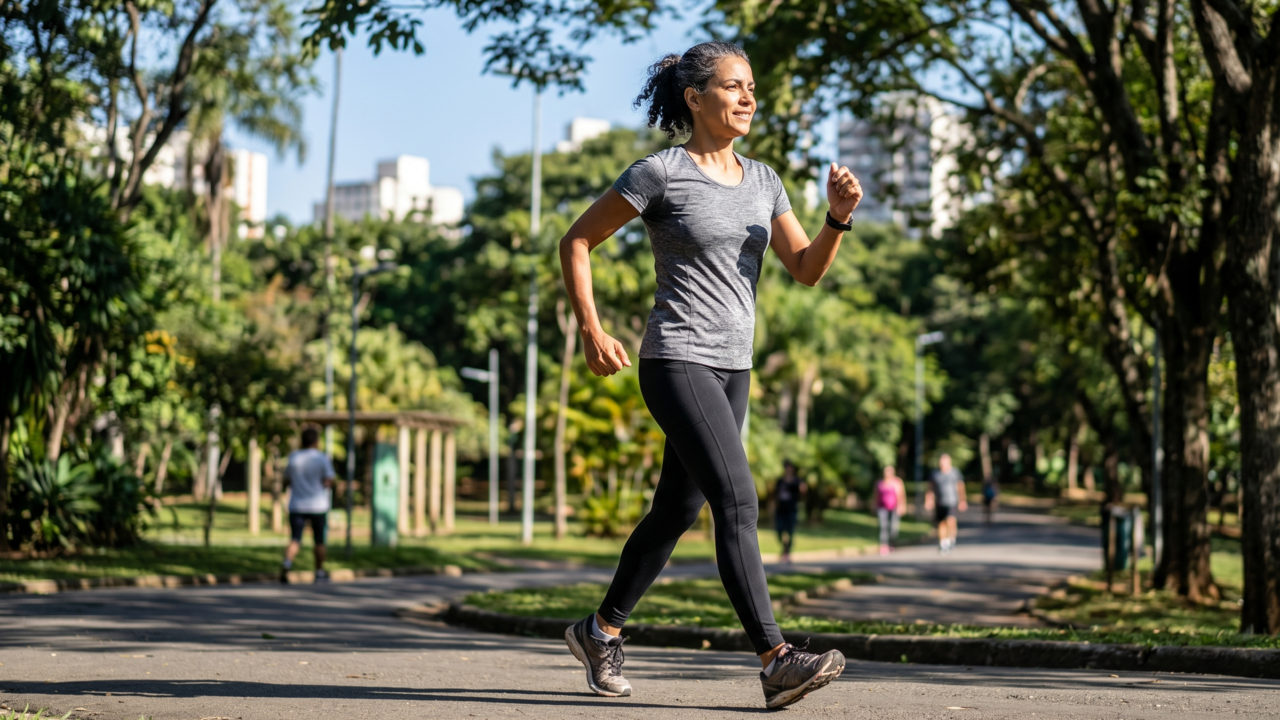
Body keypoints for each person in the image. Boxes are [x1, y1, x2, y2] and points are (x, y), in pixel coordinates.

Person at [557, 41, 863, 710]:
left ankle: (600, 628)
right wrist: (590, 325)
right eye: (734, 86)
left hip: (733, 367)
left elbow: (806, 268)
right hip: (675, 358)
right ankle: (777, 658)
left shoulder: (764, 180)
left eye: (752, 86)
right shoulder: (661, 173)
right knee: (738, 500)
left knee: (677, 508)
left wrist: (836, 218)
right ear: (696, 99)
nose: (749, 98)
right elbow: (576, 239)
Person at [280, 426, 336, 583]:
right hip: (318, 505)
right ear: (316, 441)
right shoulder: (322, 458)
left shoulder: (293, 457)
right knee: (319, 540)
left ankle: (287, 562)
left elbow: (286, 480)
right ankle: (319, 572)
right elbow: (329, 480)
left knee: (295, 538)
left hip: (296, 504)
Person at [926, 453, 967, 554]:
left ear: (949, 462)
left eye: (944, 461)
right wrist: (929, 500)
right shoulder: (935, 473)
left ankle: (951, 539)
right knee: (941, 523)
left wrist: (962, 500)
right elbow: (930, 488)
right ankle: (943, 543)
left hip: (952, 501)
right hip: (939, 502)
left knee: (951, 520)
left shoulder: (955, 472)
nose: (942, 463)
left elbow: (960, 487)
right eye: (941, 461)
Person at [774, 460, 806, 563]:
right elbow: (775, 496)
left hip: (792, 510)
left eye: (790, 467)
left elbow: (803, 495)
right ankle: (785, 548)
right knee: (779, 530)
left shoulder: (797, 481)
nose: (788, 469)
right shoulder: (780, 481)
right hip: (780, 510)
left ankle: (787, 553)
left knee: (790, 532)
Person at [870, 465, 906, 555]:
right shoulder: (879, 483)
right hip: (882, 507)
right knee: (883, 526)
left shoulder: (897, 482)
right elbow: (875, 496)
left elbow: (902, 495)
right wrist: (874, 505)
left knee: (893, 527)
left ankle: (891, 543)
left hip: (894, 508)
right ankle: (883, 545)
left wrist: (902, 506)